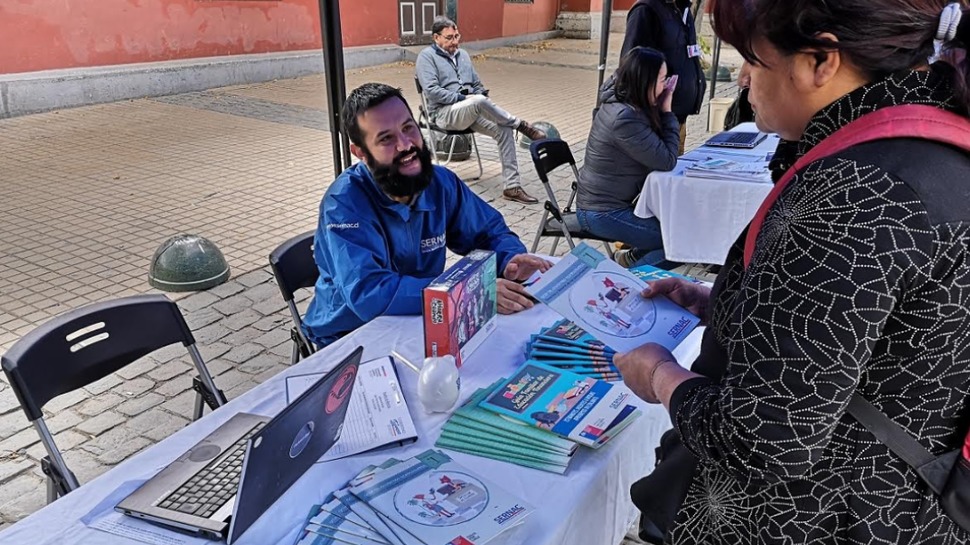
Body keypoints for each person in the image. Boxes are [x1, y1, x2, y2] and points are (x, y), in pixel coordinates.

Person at [614, 0, 970, 543]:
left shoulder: (854, 194)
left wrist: (660, 375)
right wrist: (728, 301)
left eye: (753, 59)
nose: (743, 77)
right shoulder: (928, 144)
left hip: (823, 516)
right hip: (904, 504)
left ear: (821, 61)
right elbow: (872, 324)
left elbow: (764, 438)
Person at [301, 83, 550, 348]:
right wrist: (467, 293)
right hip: (350, 334)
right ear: (361, 153)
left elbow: (489, 232)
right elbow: (369, 294)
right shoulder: (343, 203)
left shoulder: (439, 182)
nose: (405, 145)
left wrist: (509, 259)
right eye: (386, 138)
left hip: (423, 318)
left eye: (408, 128)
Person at [415, 16, 545, 205]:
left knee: (504, 128)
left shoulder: (464, 55)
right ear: (436, 38)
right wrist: (466, 98)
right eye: (449, 38)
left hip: (471, 111)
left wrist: (476, 96)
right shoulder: (426, 57)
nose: (455, 42)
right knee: (478, 101)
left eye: (457, 36)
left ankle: (511, 186)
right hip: (444, 114)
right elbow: (433, 92)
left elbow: (476, 85)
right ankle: (521, 125)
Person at [576, 47, 680, 269]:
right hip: (601, 212)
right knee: (678, 243)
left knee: (678, 231)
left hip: (609, 205)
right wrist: (667, 111)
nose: (665, 87)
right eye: (663, 80)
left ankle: (628, 261)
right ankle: (627, 284)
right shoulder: (625, 118)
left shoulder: (623, 104)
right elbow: (667, 159)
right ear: (645, 81)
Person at [620, 0, 706, 154]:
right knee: (662, 172)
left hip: (677, 119)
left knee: (673, 173)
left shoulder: (682, 8)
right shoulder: (646, 10)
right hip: (655, 122)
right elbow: (631, 68)